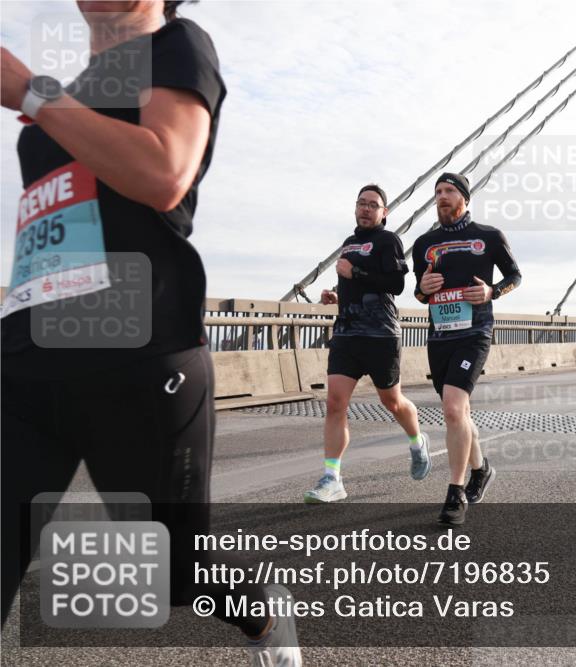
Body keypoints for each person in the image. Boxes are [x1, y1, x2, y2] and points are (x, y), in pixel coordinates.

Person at [0, 2, 301, 662]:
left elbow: (163, 173)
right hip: (26, 360)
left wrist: (31, 93)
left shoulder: (178, 45)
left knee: (175, 573)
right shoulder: (67, 96)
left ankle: (261, 609)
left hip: (138, 357)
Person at [305, 184, 430, 504]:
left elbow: (396, 284)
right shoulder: (349, 243)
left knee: (392, 401)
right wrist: (336, 294)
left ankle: (417, 441)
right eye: (361, 203)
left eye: (373, 204)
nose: (366, 208)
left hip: (381, 335)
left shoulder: (389, 241)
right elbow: (353, 282)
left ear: (383, 212)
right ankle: (332, 478)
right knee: (335, 403)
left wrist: (356, 272)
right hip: (347, 333)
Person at [413, 173, 521, 525]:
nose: (442, 196)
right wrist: (423, 288)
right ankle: (481, 469)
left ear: (465, 198)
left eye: (449, 191)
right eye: (437, 192)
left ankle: (455, 492)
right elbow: (419, 293)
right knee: (459, 413)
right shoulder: (424, 243)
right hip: (440, 335)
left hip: (475, 332)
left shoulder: (488, 236)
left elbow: (515, 276)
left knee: (452, 408)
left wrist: (492, 291)